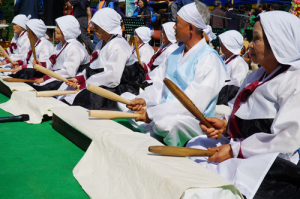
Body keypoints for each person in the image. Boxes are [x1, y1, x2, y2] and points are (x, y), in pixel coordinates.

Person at [187, 11, 300, 199]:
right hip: (242, 147)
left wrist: (234, 150)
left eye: (256, 39)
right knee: (196, 144)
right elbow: (237, 107)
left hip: (270, 159)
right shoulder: (257, 75)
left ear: (278, 42)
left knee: (215, 178)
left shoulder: (294, 81)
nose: (251, 45)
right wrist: (224, 125)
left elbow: (285, 141)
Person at [118, 0, 226, 147]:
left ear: (190, 28)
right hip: (162, 110)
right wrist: (143, 100)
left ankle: (156, 131)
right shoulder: (174, 53)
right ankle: (154, 130)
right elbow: (158, 87)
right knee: (125, 99)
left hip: (191, 121)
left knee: (168, 123)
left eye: (177, 22)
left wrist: (151, 113)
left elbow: (193, 104)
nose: (174, 26)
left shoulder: (210, 59)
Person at [56, 8, 137, 110]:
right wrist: (79, 79)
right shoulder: (101, 43)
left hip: (119, 88)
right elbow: (94, 67)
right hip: (100, 82)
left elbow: (112, 77)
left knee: (87, 96)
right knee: (66, 87)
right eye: (95, 26)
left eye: (98, 27)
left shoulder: (119, 45)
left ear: (108, 27)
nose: (95, 29)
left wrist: (86, 84)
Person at [29, 15, 90, 91]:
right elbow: (51, 62)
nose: (55, 29)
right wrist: (41, 66)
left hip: (70, 80)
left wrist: (46, 78)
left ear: (66, 30)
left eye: (58, 27)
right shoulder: (60, 45)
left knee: (40, 88)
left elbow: (68, 72)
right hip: (58, 76)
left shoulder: (74, 47)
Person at [216, 30, 248, 106]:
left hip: (225, 101)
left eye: (223, 43)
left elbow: (234, 88)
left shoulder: (239, 63)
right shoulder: (222, 58)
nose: (221, 44)